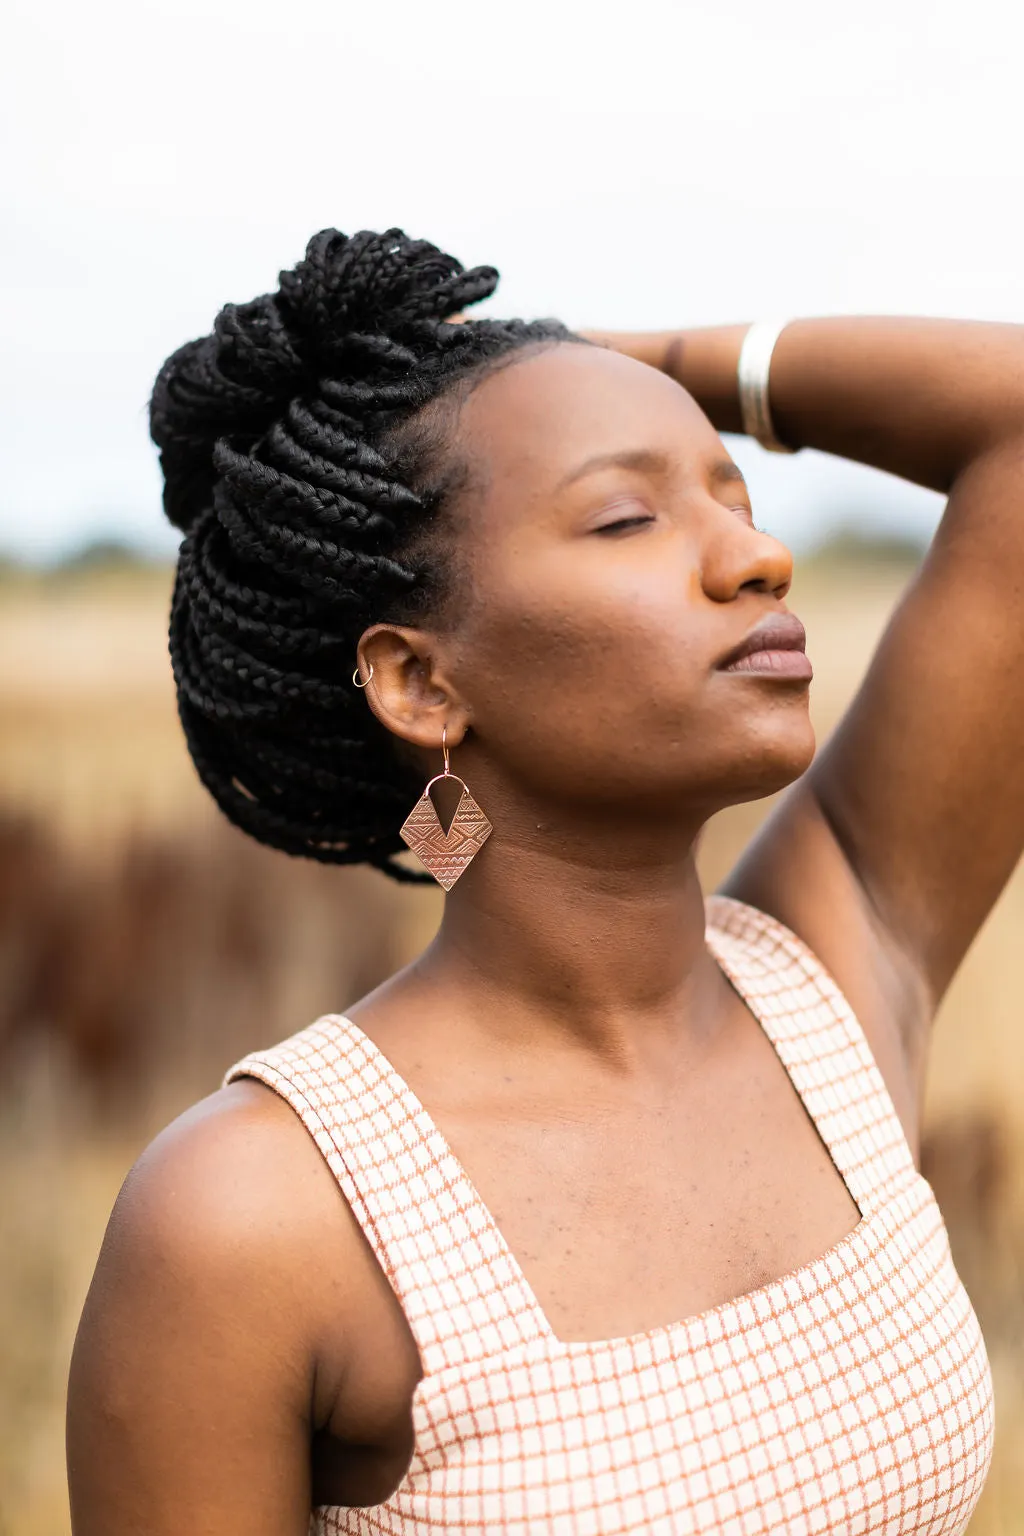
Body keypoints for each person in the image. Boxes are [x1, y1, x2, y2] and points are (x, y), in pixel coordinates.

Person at [65, 227, 1017, 1534]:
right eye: (628, 515)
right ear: (420, 682)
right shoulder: (260, 1217)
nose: (757, 559)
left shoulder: (836, 989)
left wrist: (617, 361)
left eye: (734, 498)